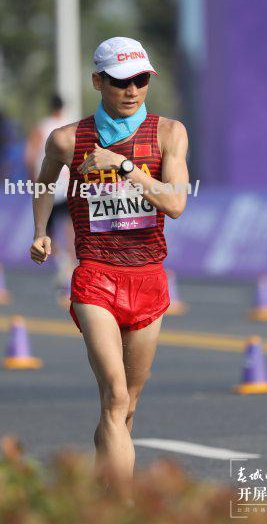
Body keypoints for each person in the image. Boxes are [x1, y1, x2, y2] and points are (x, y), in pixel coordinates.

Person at [29, 37, 189, 502]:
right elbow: (41, 184)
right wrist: (41, 230)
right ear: (97, 81)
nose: (133, 90)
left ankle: (101, 497)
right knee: (116, 397)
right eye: (121, 81)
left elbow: (176, 203)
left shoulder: (168, 133)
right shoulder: (67, 139)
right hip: (95, 276)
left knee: (124, 409)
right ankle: (122, 504)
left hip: (148, 279)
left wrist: (124, 167)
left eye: (142, 80)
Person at [25, 95, 76, 301]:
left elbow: (29, 155)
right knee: (71, 229)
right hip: (71, 186)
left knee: (48, 232)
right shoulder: (72, 125)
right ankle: (71, 268)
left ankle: (63, 265)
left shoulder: (43, 127)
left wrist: (33, 179)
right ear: (63, 107)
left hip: (50, 187)